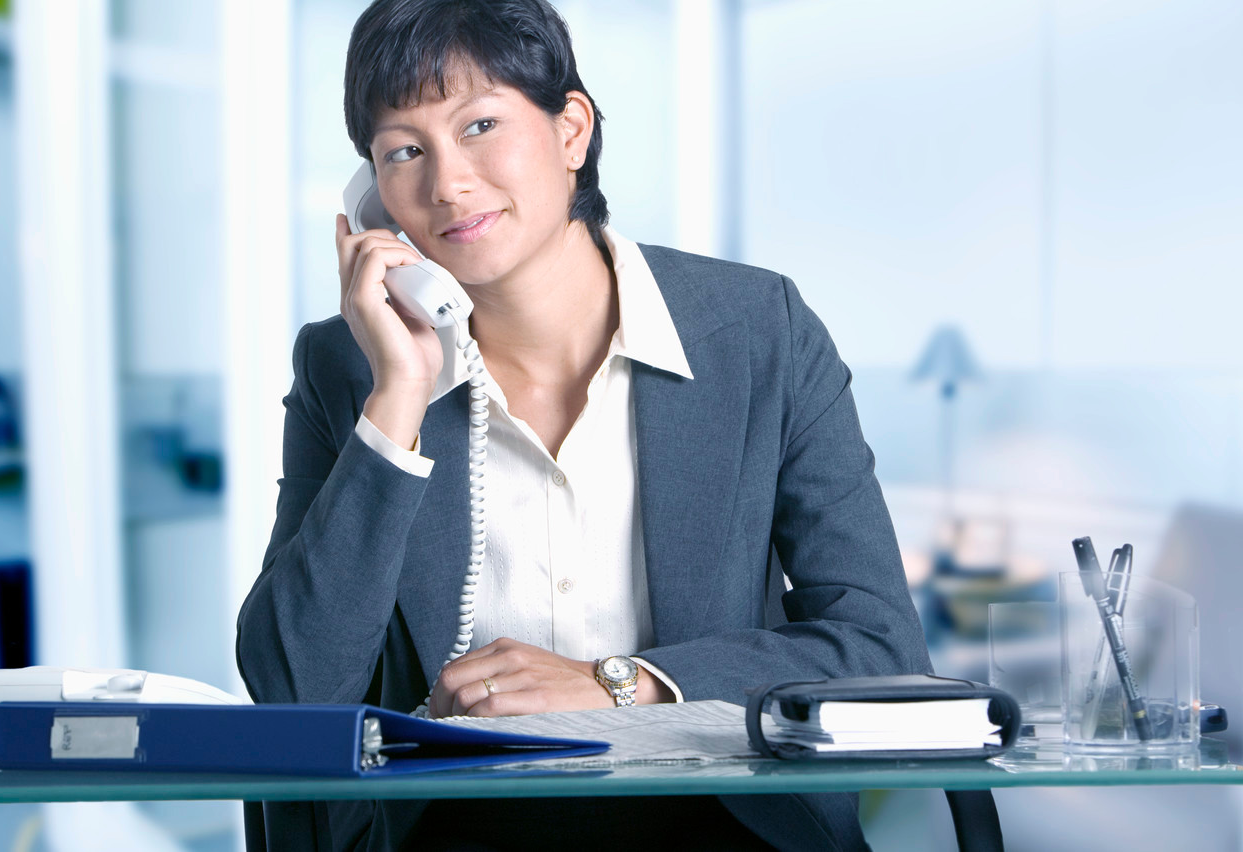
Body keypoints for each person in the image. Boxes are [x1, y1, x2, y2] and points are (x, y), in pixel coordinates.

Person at [236, 0, 931, 848]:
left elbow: (881, 650)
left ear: (572, 131)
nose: (447, 184)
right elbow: (293, 687)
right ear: (373, 199)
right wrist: (397, 399)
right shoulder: (349, 367)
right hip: (454, 834)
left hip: (723, 826)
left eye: (481, 124)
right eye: (404, 151)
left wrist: (622, 683)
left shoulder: (758, 331)